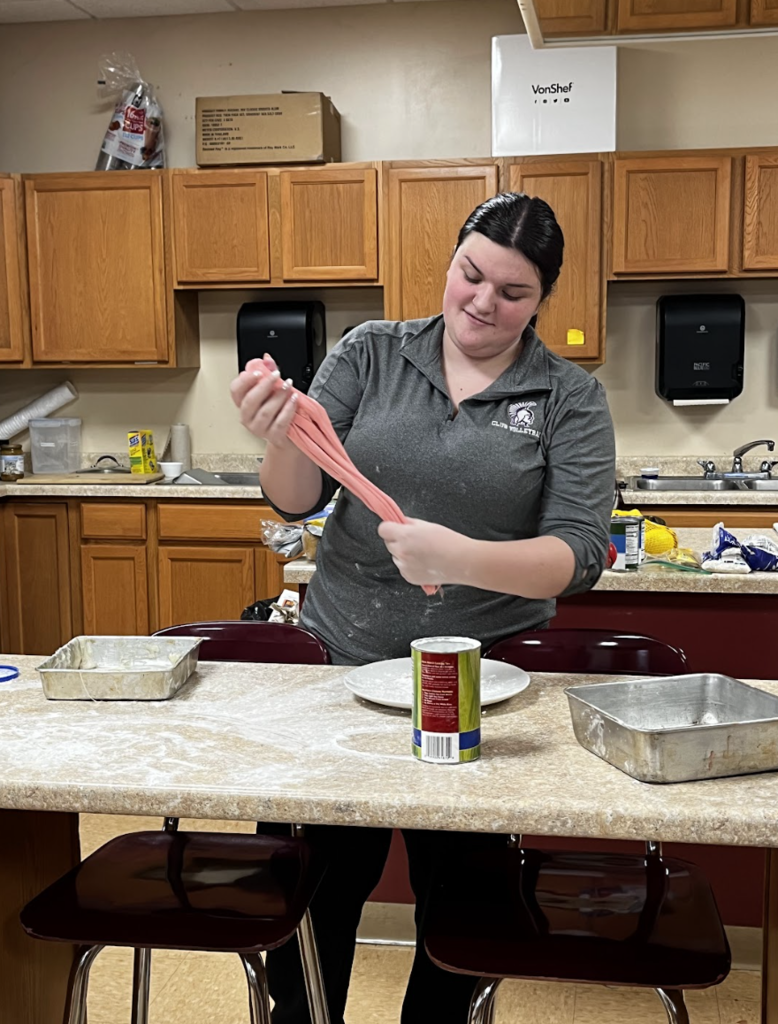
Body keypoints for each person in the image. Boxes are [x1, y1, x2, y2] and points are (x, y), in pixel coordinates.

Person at [229, 192, 616, 1024]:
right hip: (340, 670)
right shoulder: (372, 353)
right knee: (310, 897)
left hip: (484, 689)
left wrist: (458, 557)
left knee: (463, 915)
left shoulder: (568, 398)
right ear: (451, 263)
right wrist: (273, 434)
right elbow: (297, 497)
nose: (482, 302)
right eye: (470, 275)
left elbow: (579, 556)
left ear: (543, 299)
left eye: (512, 293)